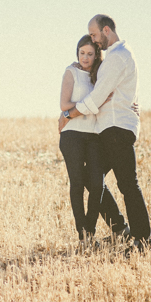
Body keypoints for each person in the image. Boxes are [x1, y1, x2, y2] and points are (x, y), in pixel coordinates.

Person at [58, 14, 151, 254]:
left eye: (95, 35)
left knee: (128, 184)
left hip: (116, 129)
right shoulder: (117, 57)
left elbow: (97, 97)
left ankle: (142, 240)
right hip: (109, 129)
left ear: (106, 30)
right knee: (92, 179)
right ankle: (121, 229)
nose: (93, 40)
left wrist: (69, 115)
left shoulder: (118, 57)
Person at [58, 35, 123, 246]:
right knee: (77, 184)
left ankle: (91, 228)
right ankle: (85, 237)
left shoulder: (101, 76)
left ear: (97, 56)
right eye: (82, 53)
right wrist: (93, 103)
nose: (85, 58)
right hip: (72, 134)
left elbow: (112, 97)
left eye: (90, 54)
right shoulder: (71, 72)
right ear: (77, 53)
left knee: (97, 185)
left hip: (94, 136)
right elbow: (64, 104)